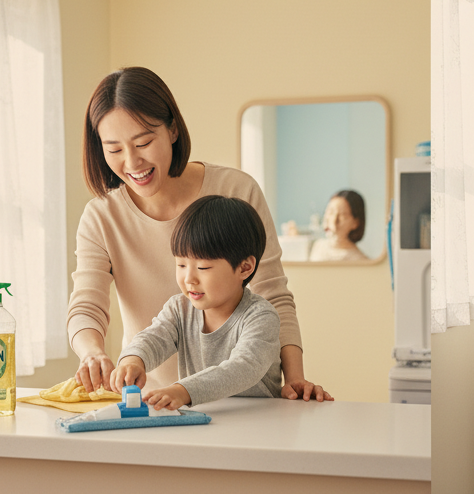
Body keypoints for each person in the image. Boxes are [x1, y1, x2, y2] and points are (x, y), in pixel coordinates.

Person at [70, 66, 330, 401]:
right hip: (154, 402)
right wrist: (94, 354)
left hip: (242, 403)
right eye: (114, 149)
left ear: (173, 130)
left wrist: (294, 378)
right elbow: (87, 306)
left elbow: (273, 295)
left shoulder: (235, 190)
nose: (132, 162)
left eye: (144, 142)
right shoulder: (101, 217)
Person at [110, 195, 282, 408]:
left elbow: (243, 368)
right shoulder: (179, 309)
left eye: (203, 268)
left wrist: (182, 391)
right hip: (205, 421)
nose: (189, 279)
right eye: (181, 265)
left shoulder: (260, 317)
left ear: (244, 268)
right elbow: (153, 338)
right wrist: (133, 359)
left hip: (263, 424)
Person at [310, 190, 370, 263]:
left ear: (356, 223)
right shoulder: (318, 246)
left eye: (342, 215)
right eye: (330, 212)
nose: (333, 221)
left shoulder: (361, 261)